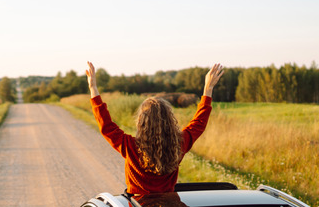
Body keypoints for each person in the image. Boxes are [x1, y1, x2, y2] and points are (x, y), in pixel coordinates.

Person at [85, 61, 225, 196]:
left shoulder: (130, 146)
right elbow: (198, 123)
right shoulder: (179, 144)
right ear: (170, 121)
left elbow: (107, 126)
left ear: (141, 122)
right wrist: (208, 89)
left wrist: (93, 89)